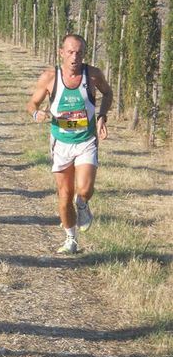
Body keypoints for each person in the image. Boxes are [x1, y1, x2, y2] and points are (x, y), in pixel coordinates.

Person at [26, 34, 113, 254]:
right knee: (64, 196)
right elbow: (32, 103)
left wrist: (102, 115)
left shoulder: (92, 75)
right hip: (61, 143)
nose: (75, 57)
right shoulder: (49, 77)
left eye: (80, 53)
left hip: (86, 140)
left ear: (84, 54)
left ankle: (83, 204)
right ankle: (71, 239)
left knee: (84, 189)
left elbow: (108, 92)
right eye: (71, 52)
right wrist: (36, 113)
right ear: (61, 52)